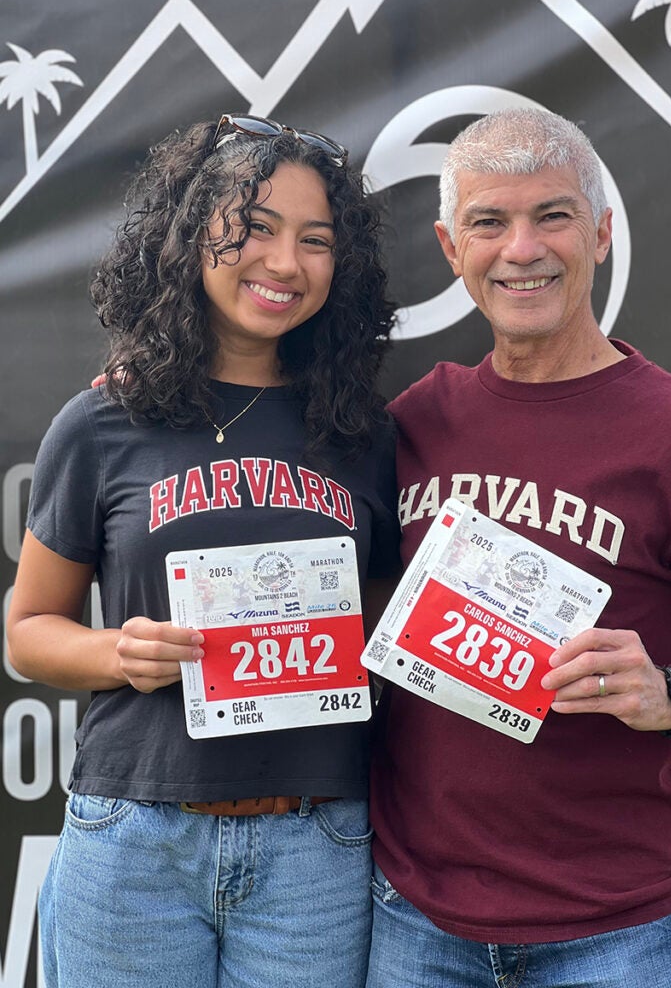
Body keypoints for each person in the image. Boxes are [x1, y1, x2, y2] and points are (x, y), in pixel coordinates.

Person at [365, 107, 671, 987]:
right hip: (415, 921)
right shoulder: (415, 422)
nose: (523, 249)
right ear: (451, 248)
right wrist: (156, 395)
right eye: (489, 222)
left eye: (552, 215)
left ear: (602, 232)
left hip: (616, 931)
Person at [7, 113, 400, 988]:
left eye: (316, 240)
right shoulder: (102, 423)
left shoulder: (364, 436)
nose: (285, 263)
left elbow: (383, 633)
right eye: (255, 227)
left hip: (315, 845)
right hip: (135, 838)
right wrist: (119, 652)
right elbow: (28, 630)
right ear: (190, 235)